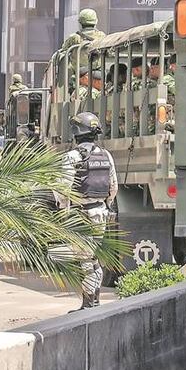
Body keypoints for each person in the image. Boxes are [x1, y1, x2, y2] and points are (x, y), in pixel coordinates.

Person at [56, 112, 118, 310]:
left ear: (75, 133)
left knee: (85, 260)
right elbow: (113, 186)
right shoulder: (105, 155)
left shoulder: (72, 157)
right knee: (93, 258)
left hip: (80, 213)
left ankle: (89, 304)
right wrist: (105, 204)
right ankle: (94, 302)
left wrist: (64, 211)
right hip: (99, 212)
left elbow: (62, 189)